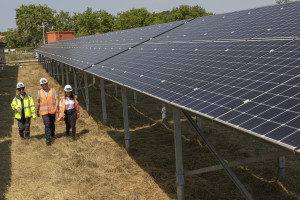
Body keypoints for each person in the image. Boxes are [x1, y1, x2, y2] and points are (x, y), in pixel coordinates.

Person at [36, 78, 59, 145]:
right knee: (47, 124)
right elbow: (38, 102)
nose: (44, 85)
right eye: (43, 84)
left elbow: (57, 99)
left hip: (52, 111)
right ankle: (48, 139)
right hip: (44, 112)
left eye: (45, 84)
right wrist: (37, 111)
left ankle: (52, 134)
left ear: (47, 83)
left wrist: (55, 108)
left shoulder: (53, 90)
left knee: (52, 124)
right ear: (41, 85)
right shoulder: (39, 92)